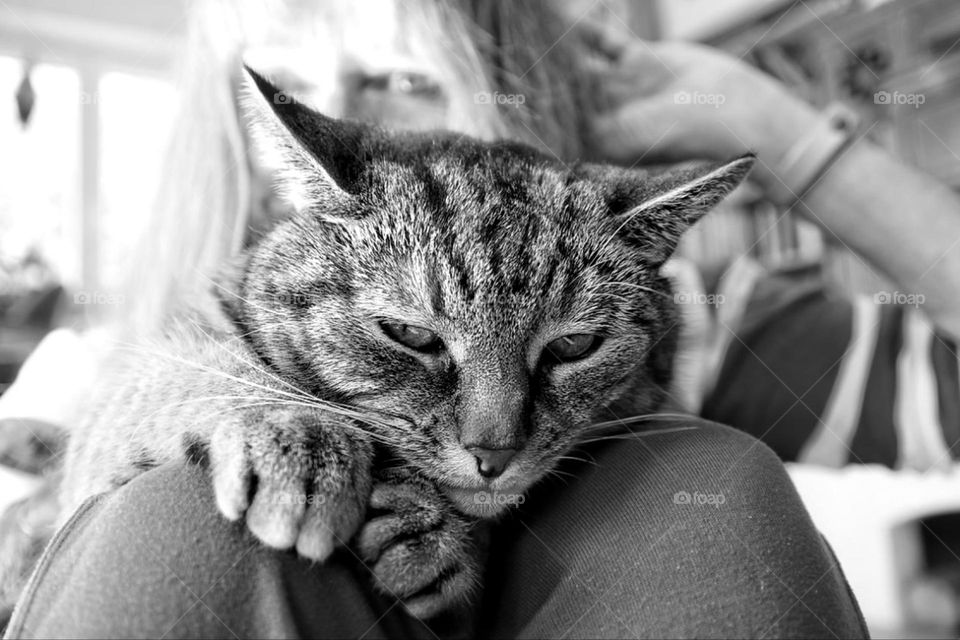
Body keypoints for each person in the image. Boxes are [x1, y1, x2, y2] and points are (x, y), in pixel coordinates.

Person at [4, 0, 960, 636]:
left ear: (514, 74)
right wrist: (228, 416)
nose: (491, 436)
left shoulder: (696, 313)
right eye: (284, 73)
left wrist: (785, 131)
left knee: (707, 485)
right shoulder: (102, 353)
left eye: (404, 80)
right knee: (186, 516)